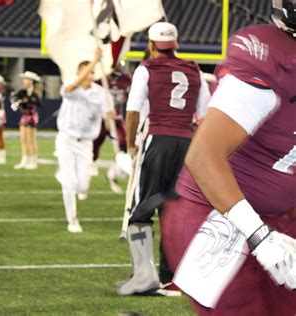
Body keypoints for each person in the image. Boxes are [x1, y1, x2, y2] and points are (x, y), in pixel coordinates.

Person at [160, 1, 296, 314]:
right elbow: (204, 156)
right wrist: (259, 235)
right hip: (218, 219)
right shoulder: (273, 58)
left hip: (281, 218)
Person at [116, 22, 210, 295]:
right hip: (187, 143)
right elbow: (204, 115)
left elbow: (133, 111)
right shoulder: (195, 71)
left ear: (151, 43)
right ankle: (172, 279)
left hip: (158, 139)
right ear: (175, 43)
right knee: (175, 211)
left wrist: (132, 143)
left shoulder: (146, 69)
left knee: (141, 209)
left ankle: (143, 277)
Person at [55, 48, 114, 233]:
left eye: (92, 73)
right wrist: (95, 60)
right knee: (70, 184)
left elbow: (107, 115)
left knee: (83, 185)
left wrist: (110, 116)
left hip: (86, 142)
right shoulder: (70, 86)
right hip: (67, 139)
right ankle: (72, 220)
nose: (90, 76)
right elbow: (71, 87)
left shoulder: (101, 93)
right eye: (86, 72)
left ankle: (62, 174)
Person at [91, 64, 132, 194]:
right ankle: (89, 168)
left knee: (124, 145)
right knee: (95, 143)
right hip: (102, 117)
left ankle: (113, 174)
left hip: (117, 117)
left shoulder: (126, 79)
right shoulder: (100, 78)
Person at [11, 71, 41, 170]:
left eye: (27, 79)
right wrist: (16, 101)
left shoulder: (36, 92)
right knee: (23, 139)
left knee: (31, 139)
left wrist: (29, 100)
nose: (25, 81)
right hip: (24, 116)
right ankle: (24, 160)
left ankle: (33, 161)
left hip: (32, 116)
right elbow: (16, 102)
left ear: (31, 81)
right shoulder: (22, 92)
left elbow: (38, 104)